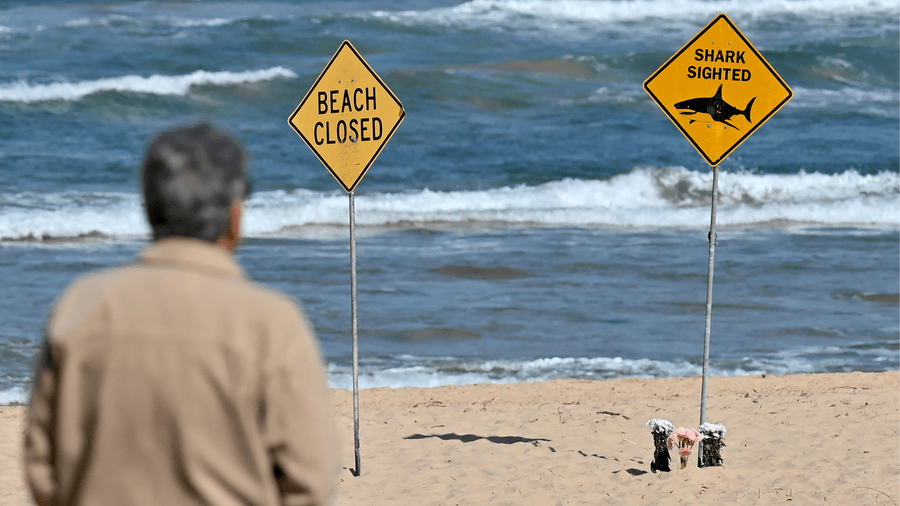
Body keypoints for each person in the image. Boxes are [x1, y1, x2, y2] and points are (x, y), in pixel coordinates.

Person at [24, 124, 338, 506]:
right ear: (234, 216)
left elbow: (42, 468)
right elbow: (309, 481)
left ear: (148, 208)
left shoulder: (80, 307)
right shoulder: (272, 324)